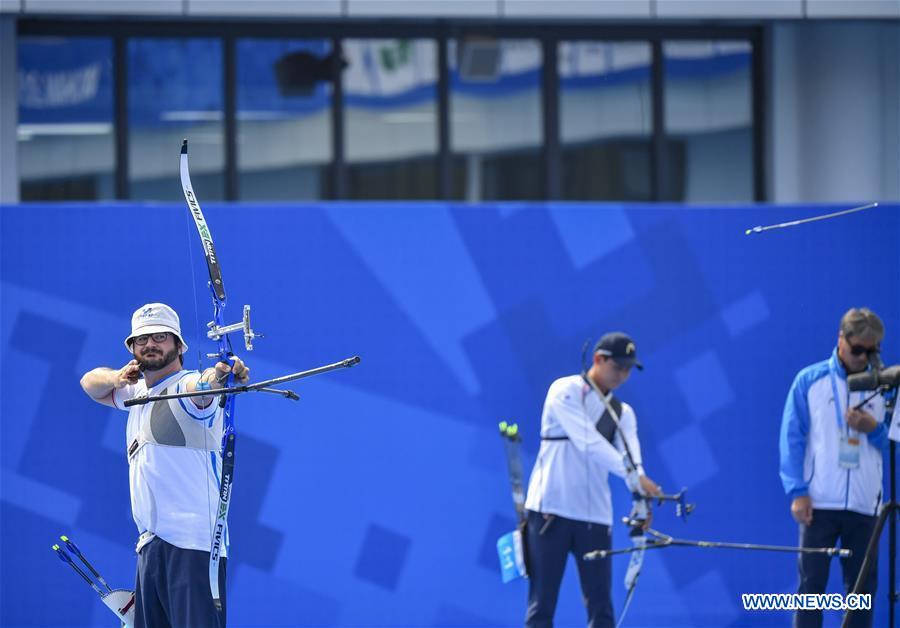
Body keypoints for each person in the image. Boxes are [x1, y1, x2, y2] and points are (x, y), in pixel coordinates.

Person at [80, 303, 250, 628]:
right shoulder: (136, 392)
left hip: (193, 545)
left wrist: (223, 373)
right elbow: (90, 383)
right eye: (142, 339)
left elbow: (205, 387)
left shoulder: (187, 388)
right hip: (151, 546)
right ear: (132, 348)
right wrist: (117, 377)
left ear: (177, 344)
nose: (150, 344)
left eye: (160, 336)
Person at [523, 332, 661, 628]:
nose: (622, 375)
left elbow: (634, 461)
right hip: (551, 511)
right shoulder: (565, 390)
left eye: (628, 369)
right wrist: (633, 475)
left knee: (601, 609)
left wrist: (642, 498)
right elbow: (587, 441)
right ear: (599, 360)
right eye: (618, 367)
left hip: (594, 517)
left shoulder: (623, 413)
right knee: (541, 606)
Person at [780, 307, 889, 628]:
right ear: (841, 339)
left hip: (866, 504)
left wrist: (874, 429)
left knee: (861, 592)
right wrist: (798, 492)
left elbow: (895, 443)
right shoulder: (810, 381)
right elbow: (791, 439)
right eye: (857, 349)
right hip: (819, 502)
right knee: (811, 589)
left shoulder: (888, 384)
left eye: (871, 351)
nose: (863, 357)